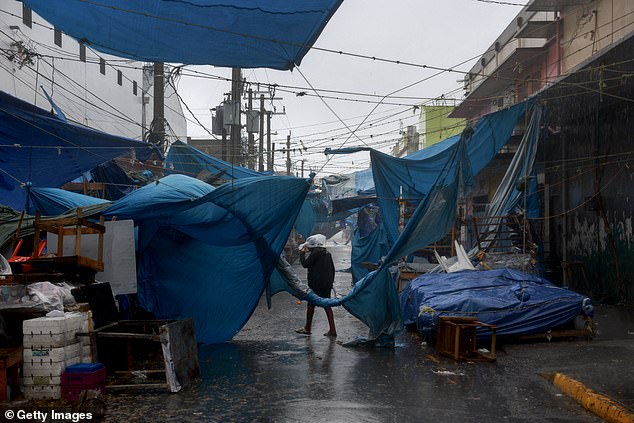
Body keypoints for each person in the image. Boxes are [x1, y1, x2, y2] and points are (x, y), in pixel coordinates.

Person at [295, 234, 337, 337]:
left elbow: (305, 264)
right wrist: (330, 283)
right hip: (326, 284)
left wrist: (302, 253)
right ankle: (332, 330)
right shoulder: (327, 253)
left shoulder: (316, 252)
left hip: (316, 284)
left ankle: (307, 328)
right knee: (327, 305)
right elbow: (333, 269)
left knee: (311, 305)